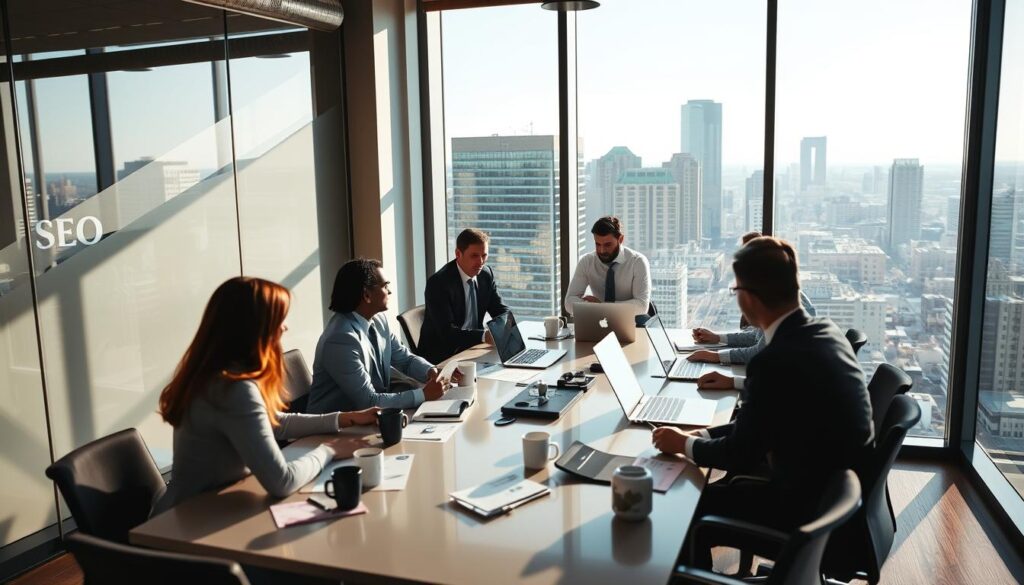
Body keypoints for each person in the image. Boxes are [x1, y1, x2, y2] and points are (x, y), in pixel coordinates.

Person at [652, 236, 873, 569]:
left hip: (805, 513)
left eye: (736, 290)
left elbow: (740, 455)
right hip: (836, 501)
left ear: (749, 298)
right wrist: (706, 435)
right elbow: (767, 422)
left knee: (686, 507)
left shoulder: (775, 362)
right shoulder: (823, 331)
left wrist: (684, 444)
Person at [155, 277, 378, 513]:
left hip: (206, 509)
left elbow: (273, 422)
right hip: (182, 524)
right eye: (279, 319)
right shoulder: (232, 389)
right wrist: (329, 450)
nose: (285, 327)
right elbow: (282, 482)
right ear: (255, 328)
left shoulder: (219, 375)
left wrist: (344, 418)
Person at [307, 258, 452, 414]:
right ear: (366, 295)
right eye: (385, 286)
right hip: (333, 428)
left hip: (369, 418)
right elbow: (368, 401)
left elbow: (405, 360)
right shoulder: (341, 339)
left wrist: (430, 371)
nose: (389, 291)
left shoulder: (378, 320)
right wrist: (423, 394)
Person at [687, 231, 816, 391]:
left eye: (738, 289)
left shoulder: (784, 340)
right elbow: (778, 384)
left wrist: (716, 357)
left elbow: (760, 354)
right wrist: (717, 338)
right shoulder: (804, 327)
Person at [418, 228, 509, 364]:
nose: (480, 262)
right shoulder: (438, 283)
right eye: (474, 256)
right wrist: (484, 336)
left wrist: (500, 330)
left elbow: (502, 311)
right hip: (443, 357)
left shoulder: (485, 274)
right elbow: (448, 334)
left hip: (474, 350)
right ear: (458, 253)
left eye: (484, 255)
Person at [564, 216, 651, 322]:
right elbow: (569, 301)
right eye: (597, 244)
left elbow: (642, 306)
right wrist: (594, 308)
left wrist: (602, 307)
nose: (601, 250)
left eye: (608, 245)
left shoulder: (637, 262)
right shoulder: (587, 261)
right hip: (599, 323)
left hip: (631, 324)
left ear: (620, 239)